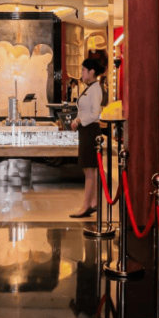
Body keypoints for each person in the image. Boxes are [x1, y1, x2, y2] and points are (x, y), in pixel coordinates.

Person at [69, 58, 105, 218]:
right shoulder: (89, 88)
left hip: (91, 131)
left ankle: (85, 206)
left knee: (89, 169)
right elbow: (84, 111)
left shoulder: (95, 89)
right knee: (89, 169)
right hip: (86, 130)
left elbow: (96, 114)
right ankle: (94, 202)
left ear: (91, 72)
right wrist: (77, 120)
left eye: (83, 70)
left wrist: (79, 121)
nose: (82, 73)